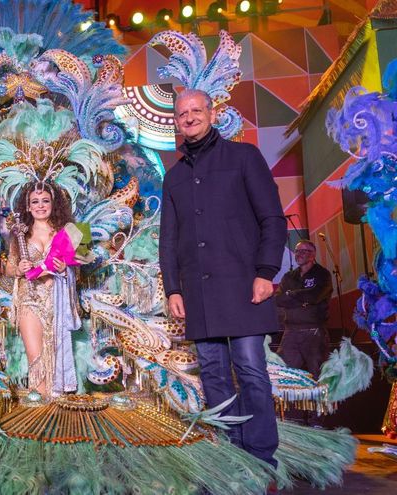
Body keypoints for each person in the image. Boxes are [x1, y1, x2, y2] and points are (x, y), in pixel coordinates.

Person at [159, 89, 287, 469]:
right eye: (183, 114)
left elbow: (273, 219)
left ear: (211, 113)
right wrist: (173, 288)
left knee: (250, 367)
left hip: (246, 286)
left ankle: (261, 455)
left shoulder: (243, 157)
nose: (190, 118)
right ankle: (231, 455)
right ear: (177, 122)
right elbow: (168, 240)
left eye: (196, 110)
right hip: (198, 291)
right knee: (213, 373)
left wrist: (266, 272)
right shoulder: (174, 177)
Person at [5, 183, 81, 400]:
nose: (40, 206)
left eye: (45, 201)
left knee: (55, 355)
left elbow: (78, 266)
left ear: (53, 204)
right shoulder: (20, 234)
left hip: (56, 299)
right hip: (29, 299)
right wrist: (19, 269)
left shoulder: (67, 233)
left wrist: (65, 268)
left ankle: (55, 404)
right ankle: (40, 403)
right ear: (27, 207)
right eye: (35, 202)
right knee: (36, 356)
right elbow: (9, 267)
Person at [275, 240, 333, 406]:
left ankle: (317, 420)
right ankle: (292, 418)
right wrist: (301, 298)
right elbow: (278, 299)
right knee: (285, 374)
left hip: (313, 333)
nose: (298, 254)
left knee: (317, 376)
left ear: (312, 254)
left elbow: (315, 296)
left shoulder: (322, 274)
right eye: (297, 251)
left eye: (304, 251)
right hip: (291, 332)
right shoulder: (289, 276)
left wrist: (291, 295)